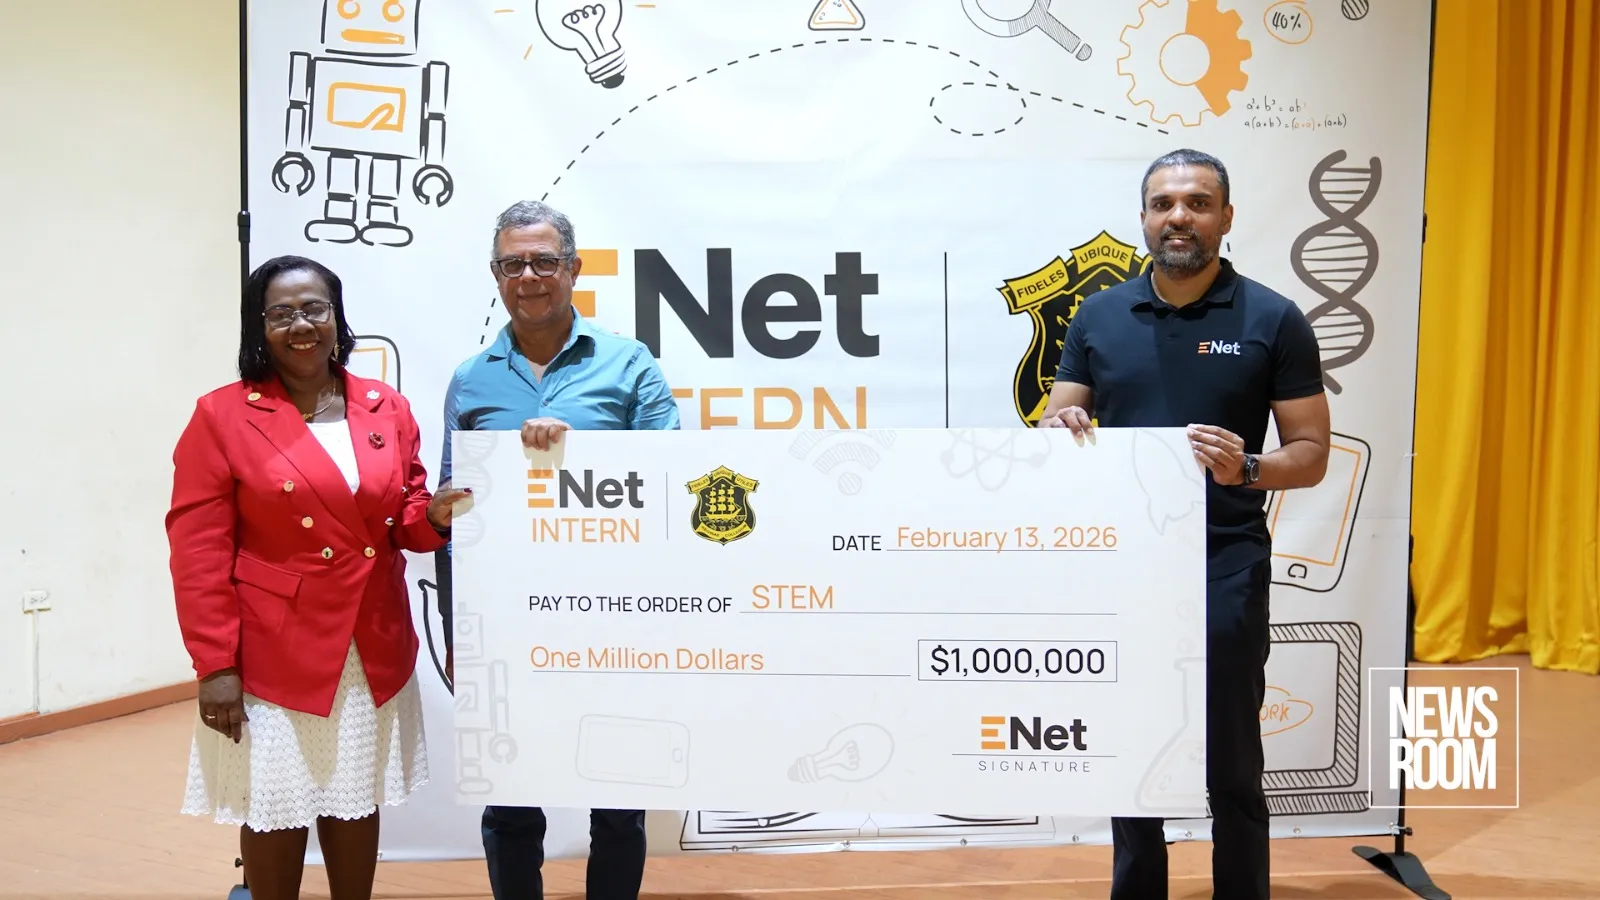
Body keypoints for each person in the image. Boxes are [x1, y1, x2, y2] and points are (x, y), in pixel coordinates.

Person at [1038, 149, 1331, 900]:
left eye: (1199, 203)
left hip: (1225, 564)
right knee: (1133, 751)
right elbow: (1057, 419)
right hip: (1125, 570)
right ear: (1143, 219)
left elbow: (1310, 454)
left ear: (1226, 219)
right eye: (1164, 203)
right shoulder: (1099, 315)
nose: (1180, 216)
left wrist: (1250, 468)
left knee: (1232, 756)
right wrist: (1063, 421)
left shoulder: (1273, 318)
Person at [167, 255, 468, 900]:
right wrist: (215, 664)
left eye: (315, 309)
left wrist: (435, 516)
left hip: (371, 641)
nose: (301, 325)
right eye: (282, 313)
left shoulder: (383, 406)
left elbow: (403, 523)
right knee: (275, 805)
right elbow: (197, 552)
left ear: (337, 318)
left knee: (353, 799)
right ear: (259, 327)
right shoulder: (222, 416)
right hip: (275, 650)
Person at [436, 199, 681, 900]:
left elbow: (674, 482)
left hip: (614, 616)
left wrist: (579, 457)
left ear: (573, 270)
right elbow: (455, 506)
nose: (530, 275)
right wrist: (460, 631)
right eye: (514, 263)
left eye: (545, 261)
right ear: (496, 276)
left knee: (618, 801)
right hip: (508, 625)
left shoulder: (629, 364)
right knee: (511, 803)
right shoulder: (470, 379)